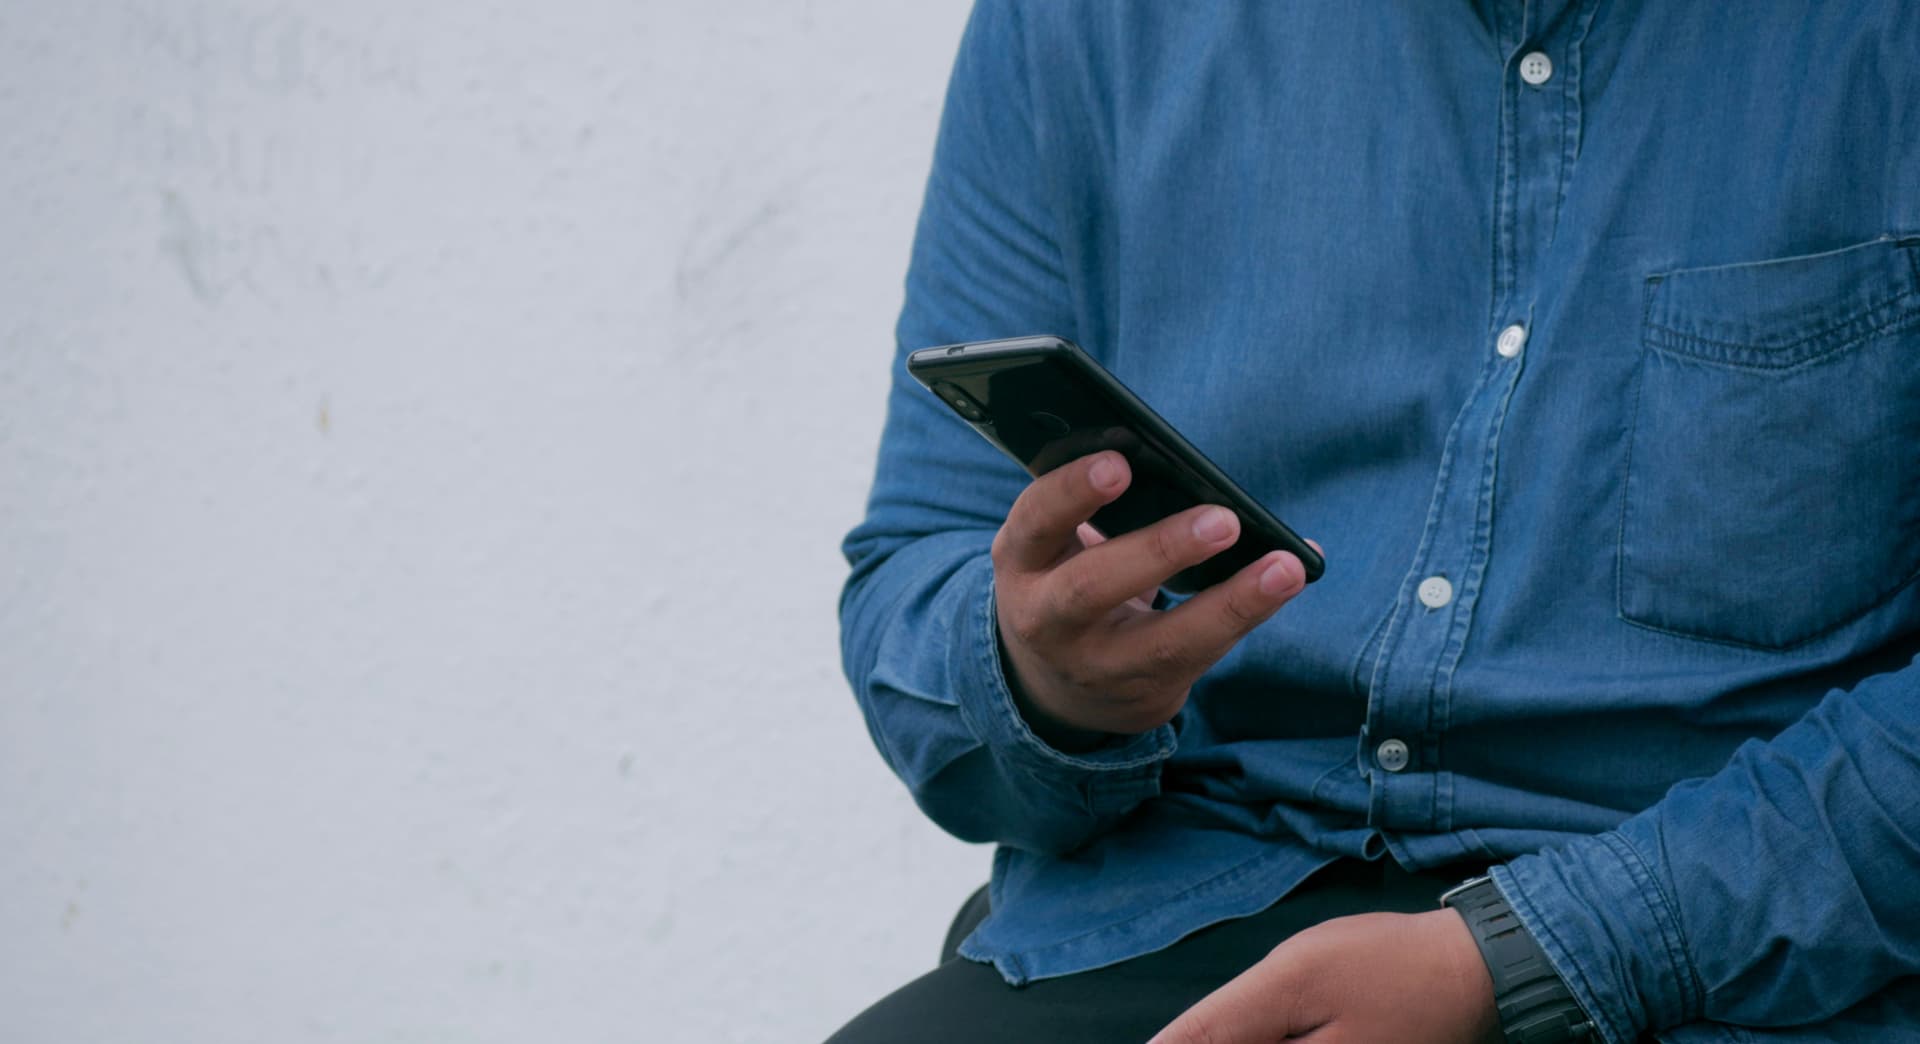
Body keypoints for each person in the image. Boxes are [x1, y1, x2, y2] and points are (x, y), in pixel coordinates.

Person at [831, 3, 1920, 1041]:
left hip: (1738, 951)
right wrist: (1038, 678)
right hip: (1191, 899)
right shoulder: (1083, 23)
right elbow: (917, 562)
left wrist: (1538, 953)